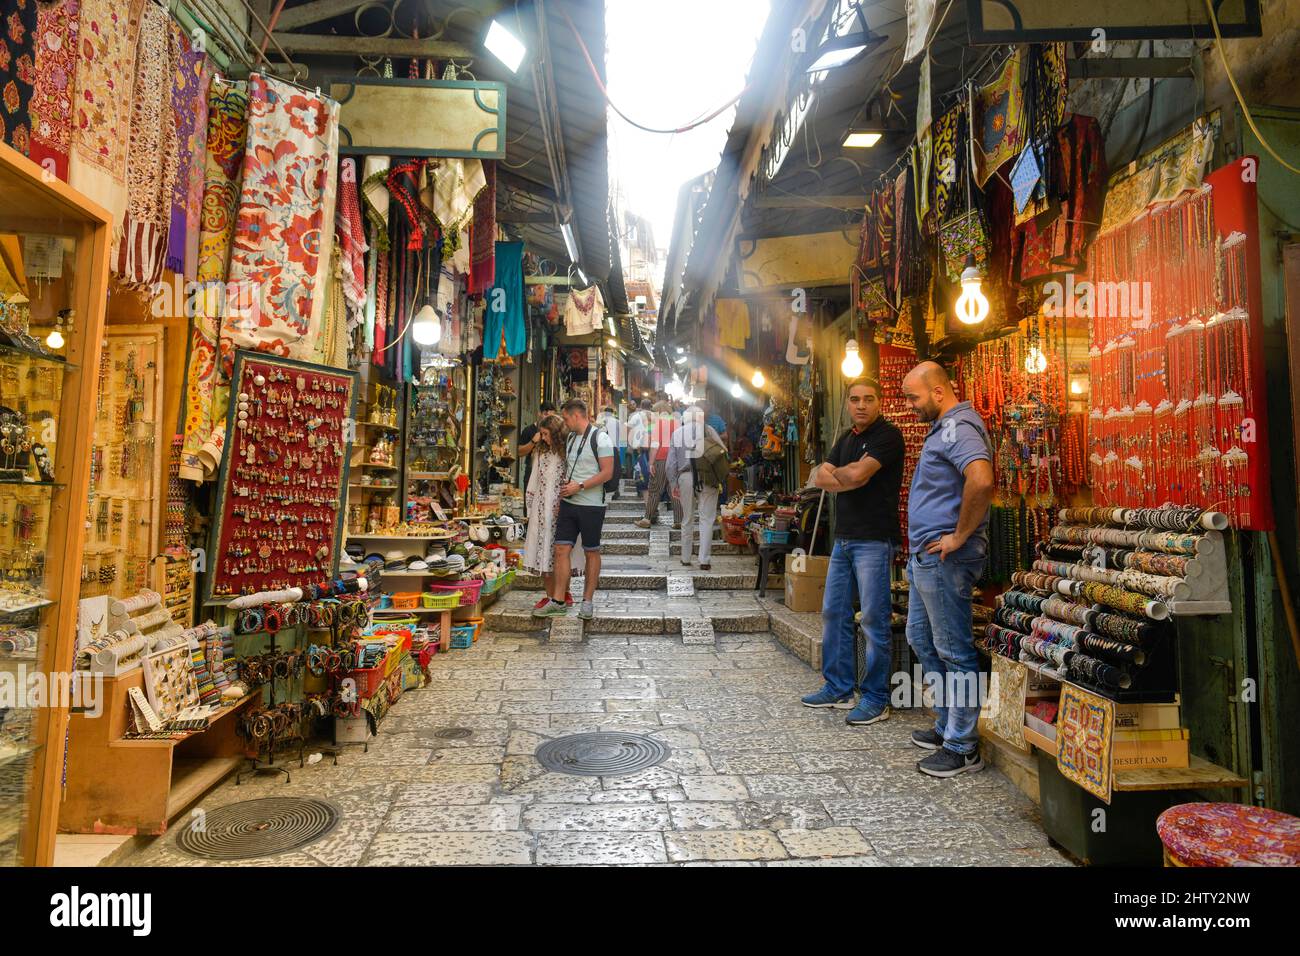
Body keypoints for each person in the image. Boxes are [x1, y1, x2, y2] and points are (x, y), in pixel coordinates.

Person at [900, 360, 995, 778]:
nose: (910, 404)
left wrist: (958, 536)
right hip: (928, 556)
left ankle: (963, 746)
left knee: (955, 650)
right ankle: (947, 723)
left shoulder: (958, 427)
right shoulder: (945, 428)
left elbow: (981, 479)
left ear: (938, 392)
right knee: (920, 636)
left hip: (946, 557)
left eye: (914, 397)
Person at [799, 379, 905, 728]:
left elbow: (857, 475)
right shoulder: (845, 439)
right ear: (847, 403)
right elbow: (818, 475)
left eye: (868, 399)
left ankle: (876, 697)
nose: (861, 405)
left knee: (874, 620)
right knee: (833, 613)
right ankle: (839, 687)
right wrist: (844, 477)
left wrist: (840, 477)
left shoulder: (887, 437)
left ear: (880, 401)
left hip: (874, 539)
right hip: (844, 539)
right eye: (855, 399)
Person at [534, 399, 615, 621]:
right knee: (561, 549)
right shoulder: (570, 439)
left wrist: (579, 486)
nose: (565, 423)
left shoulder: (601, 438)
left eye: (567, 418)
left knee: (591, 551)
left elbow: (607, 473)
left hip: (591, 505)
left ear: (577, 415)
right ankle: (558, 600)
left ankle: (587, 601)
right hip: (569, 503)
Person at [522, 413, 571, 609]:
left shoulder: (567, 454)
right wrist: (530, 507)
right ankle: (550, 595)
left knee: (561, 554)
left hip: (561, 509)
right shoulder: (540, 454)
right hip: (540, 511)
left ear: (556, 434)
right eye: (541, 434)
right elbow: (533, 481)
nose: (543, 438)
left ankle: (564, 593)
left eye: (545, 434)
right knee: (543, 555)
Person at [669, 406, 726, 570]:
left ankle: (686, 558)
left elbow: (670, 463)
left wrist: (673, 483)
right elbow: (723, 451)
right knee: (707, 518)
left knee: (687, 518)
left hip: (685, 477)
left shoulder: (678, 433)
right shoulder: (708, 430)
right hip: (707, 477)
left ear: (685, 418)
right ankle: (704, 560)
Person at [636, 401, 682, 529]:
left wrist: (651, 463)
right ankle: (679, 520)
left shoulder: (658, 424)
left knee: (654, 489)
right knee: (674, 490)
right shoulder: (677, 422)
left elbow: (655, 445)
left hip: (661, 459)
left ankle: (647, 519)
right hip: (675, 460)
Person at [518, 401, 557, 508]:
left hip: (550, 474)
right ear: (539, 413)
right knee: (530, 506)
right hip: (531, 472)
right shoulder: (529, 430)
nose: (547, 419)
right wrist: (533, 442)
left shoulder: (556, 432)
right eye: (545, 414)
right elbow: (519, 452)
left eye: (551, 416)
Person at [628, 398, 651, 493]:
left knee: (638, 466)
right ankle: (650, 487)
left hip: (638, 446)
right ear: (650, 406)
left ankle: (640, 488)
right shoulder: (655, 416)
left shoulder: (636, 416)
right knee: (650, 466)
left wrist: (631, 442)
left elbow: (629, 429)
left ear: (641, 406)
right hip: (651, 447)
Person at [600, 405, 623, 499]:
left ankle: (603, 488)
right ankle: (616, 489)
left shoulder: (602, 421)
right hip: (615, 447)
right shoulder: (617, 422)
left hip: (604, 448)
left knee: (603, 468)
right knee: (616, 469)